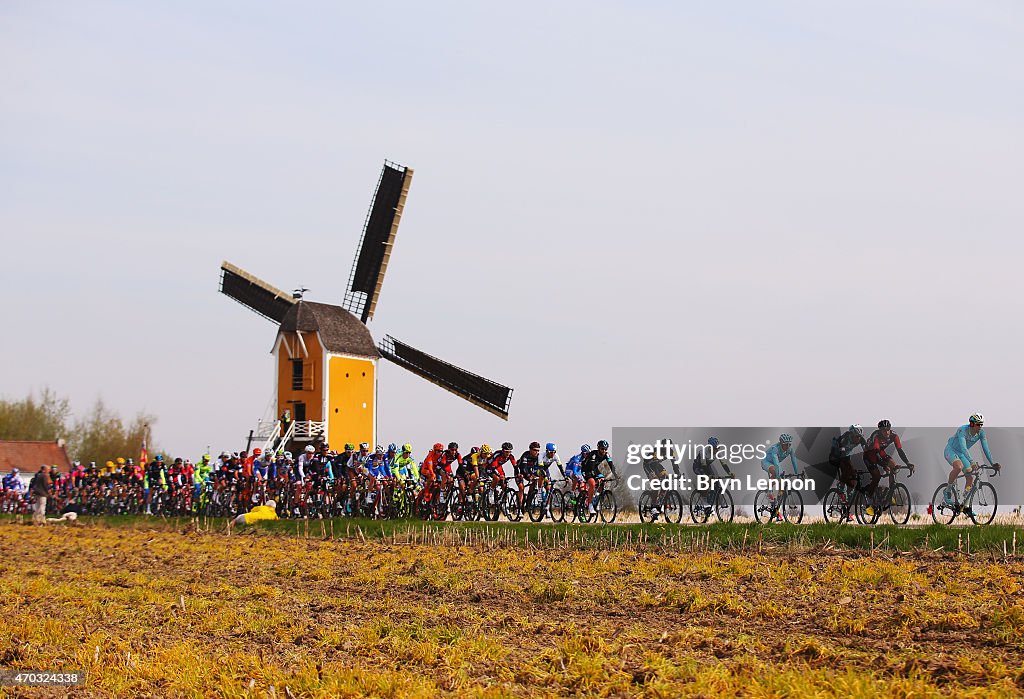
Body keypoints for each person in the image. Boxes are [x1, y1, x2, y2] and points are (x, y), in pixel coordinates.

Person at [943, 413, 1001, 514]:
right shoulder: (962, 430)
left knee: (970, 477)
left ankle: (965, 506)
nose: (980, 427)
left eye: (981, 424)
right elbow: (963, 447)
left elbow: (985, 449)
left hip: (961, 454)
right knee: (958, 467)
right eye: (978, 424)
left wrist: (992, 463)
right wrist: (972, 462)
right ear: (972, 424)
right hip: (951, 450)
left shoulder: (981, 433)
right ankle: (947, 490)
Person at [864, 420, 915, 518]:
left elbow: (900, 450)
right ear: (880, 430)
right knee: (876, 476)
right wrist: (884, 465)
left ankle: (890, 492)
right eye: (883, 430)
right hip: (869, 455)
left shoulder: (894, 436)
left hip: (880, 453)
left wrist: (908, 463)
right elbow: (876, 453)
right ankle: (869, 501)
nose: (886, 432)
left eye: (888, 429)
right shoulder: (876, 436)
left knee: (894, 465)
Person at [581, 440, 615, 515]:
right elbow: (591, 467)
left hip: (594, 468)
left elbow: (611, 465)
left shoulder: (606, 454)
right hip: (586, 469)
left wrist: (616, 476)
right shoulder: (593, 454)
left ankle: (596, 498)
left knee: (603, 482)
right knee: (592, 483)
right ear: (598, 448)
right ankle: (590, 505)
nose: (604, 451)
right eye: (602, 449)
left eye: (605, 449)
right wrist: (597, 477)